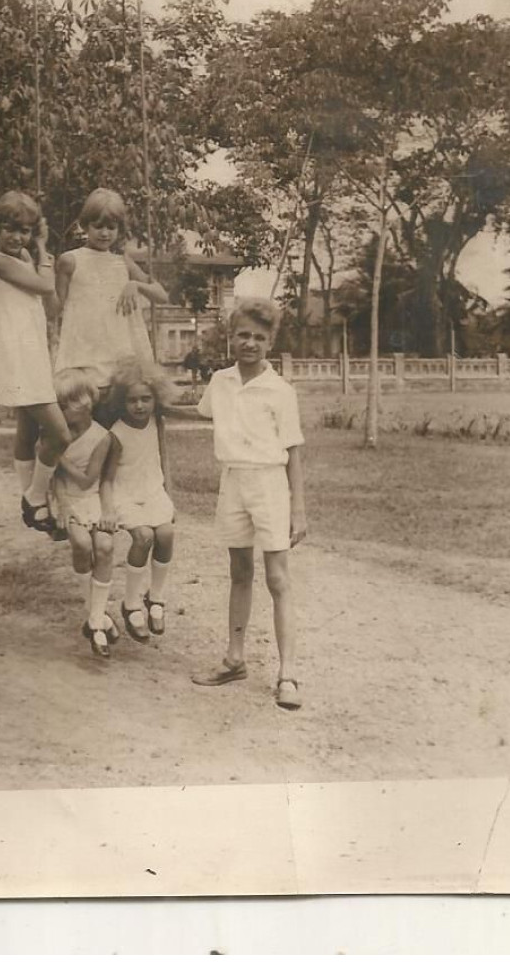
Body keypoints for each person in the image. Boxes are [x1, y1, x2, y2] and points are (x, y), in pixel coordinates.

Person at [178, 297, 308, 710]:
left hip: (269, 484)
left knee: (277, 579)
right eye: (242, 335)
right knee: (239, 571)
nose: (249, 343)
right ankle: (234, 659)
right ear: (230, 337)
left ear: (270, 341)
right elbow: (201, 414)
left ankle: (287, 674)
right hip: (232, 480)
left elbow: (294, 451)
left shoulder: (280, 390)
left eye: (258, 337)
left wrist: (298, 508)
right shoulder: (220, 381)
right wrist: (148, 399)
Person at [0, 190, 69, 535]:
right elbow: (46, 287)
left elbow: (51, 306)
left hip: (31, 348)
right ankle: (34, 498)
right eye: (9, 229)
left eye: (25, 231)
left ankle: (32, 502)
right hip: (15, 351)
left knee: (28, 429)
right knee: (59, 433)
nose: (17, 237)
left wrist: (38, 255)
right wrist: (45, 247)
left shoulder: (23, 260)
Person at [55, 188, 168, 416]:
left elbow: (161, 294)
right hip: (84, 353)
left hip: (117, 354)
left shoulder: (121, 263)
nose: (105, 233)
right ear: (84, 225)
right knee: (84, 422)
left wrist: (137, 285)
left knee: (115, 425)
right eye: (98, 226)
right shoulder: (70, 260)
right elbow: (55, 308)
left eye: (111, 227)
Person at [99, 357, 177, 642]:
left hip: (153, 492)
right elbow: (106, 479)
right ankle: (131, 602)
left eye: (146, 399)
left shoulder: (157, 422)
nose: (140, 406)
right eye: (132, 400)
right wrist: (107, 510)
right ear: (122, 402)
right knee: (143, 537)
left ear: (155, 399)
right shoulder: (117, 433)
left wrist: (170, 496)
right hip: (126, 495)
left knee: (166, 533)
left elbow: (162, 460)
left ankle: (155, 598)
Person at [50, 368, 120, 659]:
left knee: (104, 546)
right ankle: (98, 617)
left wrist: (57, 458)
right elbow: (52, 478)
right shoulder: (57, 433)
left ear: (85, 403)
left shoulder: (102, 438)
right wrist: (62, 503)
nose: (62, 411)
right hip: (66, 498)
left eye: (66, 405)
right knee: (81, 545)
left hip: (90, 496)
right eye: (59, 405)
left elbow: (89, 479)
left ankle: (95, 621)